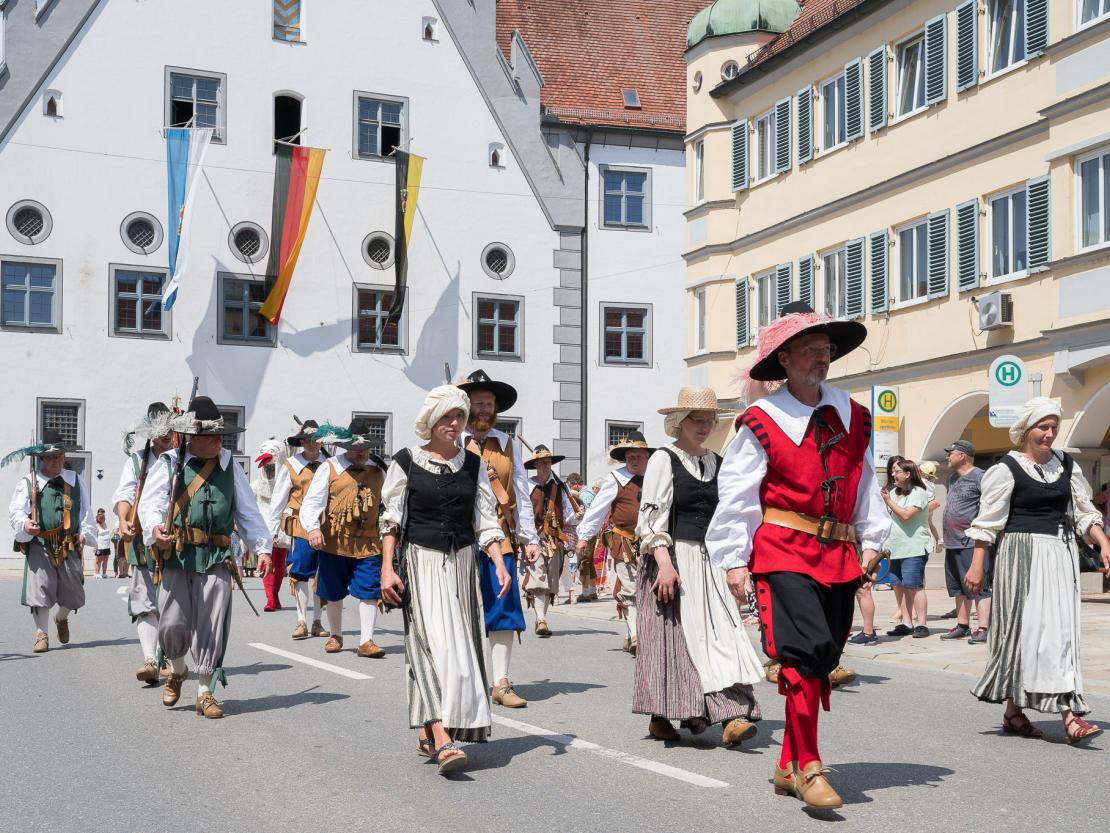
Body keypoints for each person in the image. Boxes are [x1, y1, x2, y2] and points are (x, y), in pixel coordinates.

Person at [706, 302, 890, 810]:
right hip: (782, 549)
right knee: (804, 652)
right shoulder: (761, 421)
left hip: (837, 553)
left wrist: (872, 539)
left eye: (825, 349)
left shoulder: (852, 413)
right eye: (809, 350)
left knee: (824, 655)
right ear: (783, 361)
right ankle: (809, 765)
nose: (821, 358)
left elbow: (864, 480)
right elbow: (738, 494)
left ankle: (786, 765)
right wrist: (734, 560)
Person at [379, 385, 510, 775]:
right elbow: (391, 521)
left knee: (461, 654)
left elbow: (486, 520)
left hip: (463, 566)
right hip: (421, 563)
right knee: (429, 648)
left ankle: (433, 728)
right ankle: (440, 737)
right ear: (431, 420)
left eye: (460, 417)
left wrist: (499, 562)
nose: (455, 424)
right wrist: (387, 568)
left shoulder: (472, 465)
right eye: (447, 417)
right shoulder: (405, 461)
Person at [965, 397, 1110, 744]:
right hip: (1021, 555)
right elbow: (988, 523)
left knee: (1059, 633)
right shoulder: (1006, 469)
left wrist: (1104, 542)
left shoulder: (1067, 465)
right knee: (1025, 633)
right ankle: (1061, 714)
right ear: (1027, 430)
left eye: (1054, 427)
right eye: (1043, 427)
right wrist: (976, 565)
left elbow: (1083, 512)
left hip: (1060, 554)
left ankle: (1030, 712)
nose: (1049, 434)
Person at [635, 386, 764, 748]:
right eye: (697, 420)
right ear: (679, 422)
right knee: (679, 641)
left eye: (709, 420)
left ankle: (731, 713)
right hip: (674, 559)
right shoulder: (663, 458)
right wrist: (664, 563)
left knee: (722, 634)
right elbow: (652, 518)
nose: (705, 426)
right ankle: (674, 713)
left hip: (712, 560)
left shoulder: (717, 462)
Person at [138, 395, 273, 719]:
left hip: (217, 556)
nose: (218, 441)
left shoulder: (229, 466)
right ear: (191, 438)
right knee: (171, 624)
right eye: (210, 436)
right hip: (178, 555)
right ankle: (178, 669)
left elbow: (248, 511)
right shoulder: (169, 463)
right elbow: (150, 503)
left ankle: (205, 691)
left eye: (219, 436)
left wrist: (262, 546)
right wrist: (155, 528)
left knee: (212, 624)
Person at [458, 369, 540, 709]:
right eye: (479, 403)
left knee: (503, 607)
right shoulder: (449, 440)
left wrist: (530, 537)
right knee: (459, 609)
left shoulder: (506, 444)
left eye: (489, 404)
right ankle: (463, 677)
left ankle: (501, 682)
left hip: (500, 538)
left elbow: (520, 492)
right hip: (459, 538)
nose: (485, 410)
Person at [299, 418, 388, 658]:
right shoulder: (328, 468)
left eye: (363, 447)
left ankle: (367, 640)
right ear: (345, 446)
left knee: (369, 589)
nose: (359, 451)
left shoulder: (379, 468)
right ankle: (335, 635)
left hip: (369, 541)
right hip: (334, 541)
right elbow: (311, 504)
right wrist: (313, 529)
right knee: (333, 590)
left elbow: (390, 501)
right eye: (354, 447)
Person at [5, 430, 95, 653]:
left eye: (60, 457)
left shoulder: (75, 481)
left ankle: (61, 618)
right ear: (42, 459)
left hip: (68, 544)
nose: (57, 461)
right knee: (40, 590)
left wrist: (84, 533)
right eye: (52, 457)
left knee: (74, 593)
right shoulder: (29, 482)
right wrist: (26, 525)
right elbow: (16, 511)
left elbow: (85, 512)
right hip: (40, 544)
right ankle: (41, 634)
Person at [113, 401, 178, 683]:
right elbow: (124, 495)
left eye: (170, 430)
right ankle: (150, 660)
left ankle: (167, 655)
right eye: (160, 430)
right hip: (142, 540)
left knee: (171, 603)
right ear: (150, 433)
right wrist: (125, 520)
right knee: (143, 600)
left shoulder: (184, 459)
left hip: (176, 539)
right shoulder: (136, 461)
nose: (165, 435)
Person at [576, 431, 654, 654]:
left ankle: (632, 633)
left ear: (647, 457)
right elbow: (597, 510)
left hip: (652, 544)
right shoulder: (615, 479)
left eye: (639, 455)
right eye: (630, 456)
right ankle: (637, 635)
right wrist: (583, 537)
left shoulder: (656, 477)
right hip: (625, 543)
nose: (635, 460)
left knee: (649, 592)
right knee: (630, 590)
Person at [268, 419, 329, 640]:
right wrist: (271, 533)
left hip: (325, 526)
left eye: (317, 440)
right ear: (302, 442)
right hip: (301, 525)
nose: (313, 444)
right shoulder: (291, 465)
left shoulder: (330, 464)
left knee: (322, 574)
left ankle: (317, 621)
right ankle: (301, 620)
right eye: (309, 441)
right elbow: (278, 500)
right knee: (301, 572)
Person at [522, 444, 578, 637]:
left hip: (556, 540)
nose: (544, 465)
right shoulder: (527, 485)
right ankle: (540, 619)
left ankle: (542, 617)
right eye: (540, 463)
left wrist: (580, 517)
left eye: (547, 462)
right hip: (534, 538)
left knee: (551, 581)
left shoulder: (561, 487)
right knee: (538, 577)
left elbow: (569, 515)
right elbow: (521, 513)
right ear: (535, 465)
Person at [939, 439, 990, 643]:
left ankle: (984, 627)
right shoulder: (953, 479)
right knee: (958, 586)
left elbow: (989, 508)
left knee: (978, 585)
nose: (947, 456)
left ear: (962, 455)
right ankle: (963, 625)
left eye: (950, 452)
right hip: (952, 542)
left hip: (971, 542)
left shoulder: (981, 477)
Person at [882, 457, 932, 639]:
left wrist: (888, 501)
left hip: (914, 547)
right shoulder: (894, 493)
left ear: (908, 474)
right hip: (894, 547)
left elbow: (906, 515)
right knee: (898, 586)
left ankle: (922, 624)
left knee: (914, 586)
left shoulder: (918, 492)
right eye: (893, 471)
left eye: (896, 471)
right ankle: (906, 622)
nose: (893, 474)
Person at [251, 438, 288, 612]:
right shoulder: (258, 484)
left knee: (279, 566)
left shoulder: (287, 481)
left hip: (281, 527)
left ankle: (275, 594)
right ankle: (270, 598)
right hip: (263, 528)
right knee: (267, 562)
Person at [94, 508, 112, 578]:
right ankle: (97, 573)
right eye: (100, 514)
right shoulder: (96, 525)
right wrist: (95, 546)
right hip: (100, 545)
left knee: (106, 559)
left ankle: (104, 573)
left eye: (103, 515)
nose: (102, 516)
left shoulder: (105, 523)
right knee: (99, 560)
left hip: (106, 545)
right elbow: (95, 536)